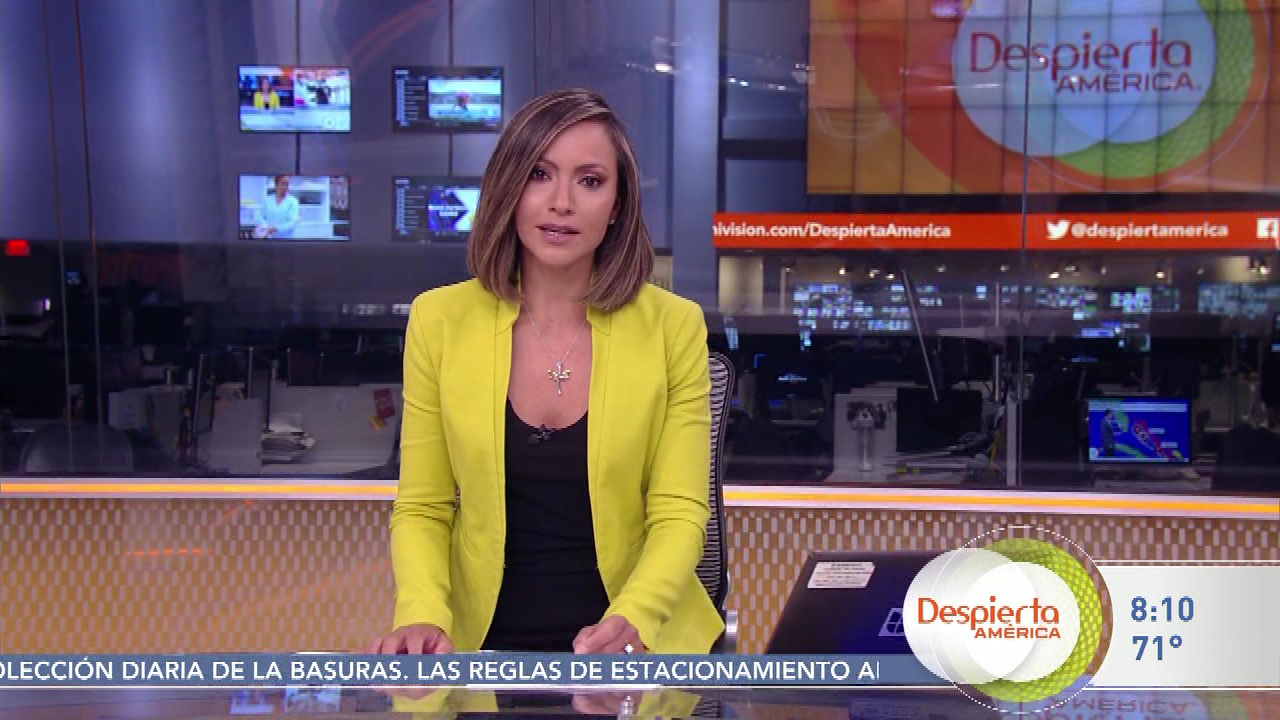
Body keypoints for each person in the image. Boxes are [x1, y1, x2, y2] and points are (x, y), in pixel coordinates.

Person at [370, 88, 721, 656]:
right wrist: (421, 613)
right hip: (477, 649)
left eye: (590, 181)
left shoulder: (673, 327)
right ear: (509, 188)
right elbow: (423, 506)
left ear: (617, 205)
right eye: (539, 174)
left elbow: (679, 511)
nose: (562, 202)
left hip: (638, 646)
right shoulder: (440, 320)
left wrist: (634, 619)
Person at [258, 175, 299, 239]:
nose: (285, 187)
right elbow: (260, 216)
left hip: (286, 240)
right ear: (276, 184)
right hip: (269, 238)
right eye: (283, 184)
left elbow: (292, 222)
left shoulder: (293, 201)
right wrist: (266, 227)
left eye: (287, 184)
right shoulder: (267, 200)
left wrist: (277, 228)